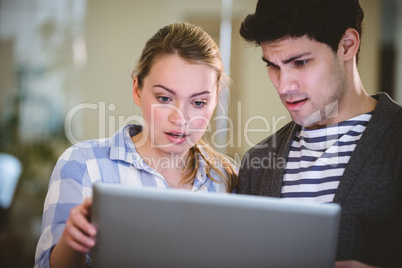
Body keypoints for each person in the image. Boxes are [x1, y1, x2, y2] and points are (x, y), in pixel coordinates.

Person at [34, 22, 238, 268]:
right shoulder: (83, 164)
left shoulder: (227, 178)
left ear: (215, 100)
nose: (180, 119)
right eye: (164, 98)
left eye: (198, 103)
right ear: (137, 90)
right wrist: (72, 241)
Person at [238, 0, 402, 267]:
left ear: (347, 45)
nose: (283, 86)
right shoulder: (256, 164)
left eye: (300, 62)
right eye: (273, 65)